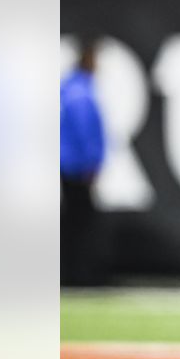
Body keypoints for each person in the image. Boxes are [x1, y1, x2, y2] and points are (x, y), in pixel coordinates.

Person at [61, 39, 107, 286]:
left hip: (68, 164)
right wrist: (91, 162)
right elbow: (85, 131)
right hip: (76, 167)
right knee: (80, 223)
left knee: (72, 221)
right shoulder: (80, 92)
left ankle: (72, 272)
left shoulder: (68, 88)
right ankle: (79, 275)